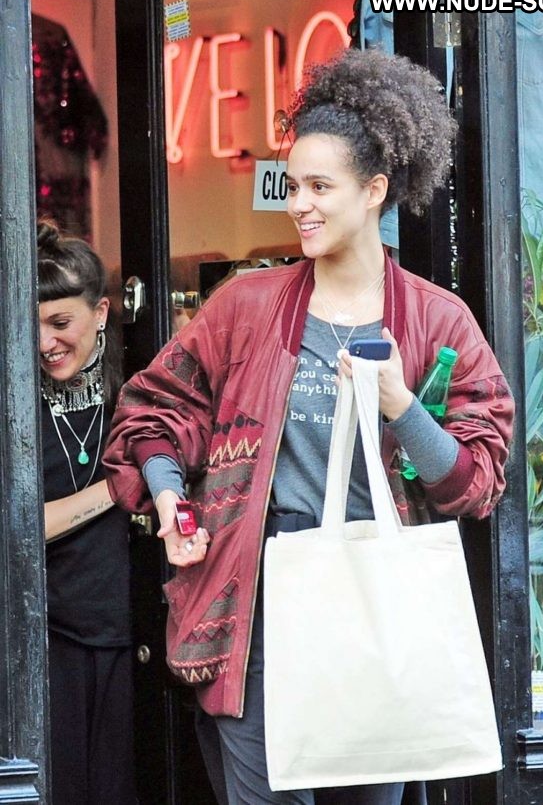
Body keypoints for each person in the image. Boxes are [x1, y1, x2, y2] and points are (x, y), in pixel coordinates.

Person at [103, 48, 514, 805]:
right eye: (294, 185)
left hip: (379, 616)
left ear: (375, 191)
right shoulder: (246, 305)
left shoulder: (437, 320)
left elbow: (477, 483)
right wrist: (168, 498)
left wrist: (402, 405)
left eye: (321, 187)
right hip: (255, 608)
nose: (300, 205)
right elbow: (158, 411)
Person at [37, 220, 135, 805]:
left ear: (100, 313)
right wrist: (114, 490)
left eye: (60, 322)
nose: (44, 342)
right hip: (50, 639)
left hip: (134, 634)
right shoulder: (19, 407)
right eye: (32, 324)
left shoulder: (139, 392)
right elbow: (21, 528)